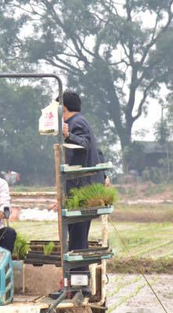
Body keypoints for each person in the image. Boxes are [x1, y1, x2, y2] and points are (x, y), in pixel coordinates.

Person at [59, 91, 102, 259]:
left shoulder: (76, 123)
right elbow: (96, 150)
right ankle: (78, 278)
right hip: (82, 188)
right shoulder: (80, 121)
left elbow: (84, 144)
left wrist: (68, 135)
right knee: (78, 236)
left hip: (80, 190)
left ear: (63, 108)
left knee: (77, 238)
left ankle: (79, 279)